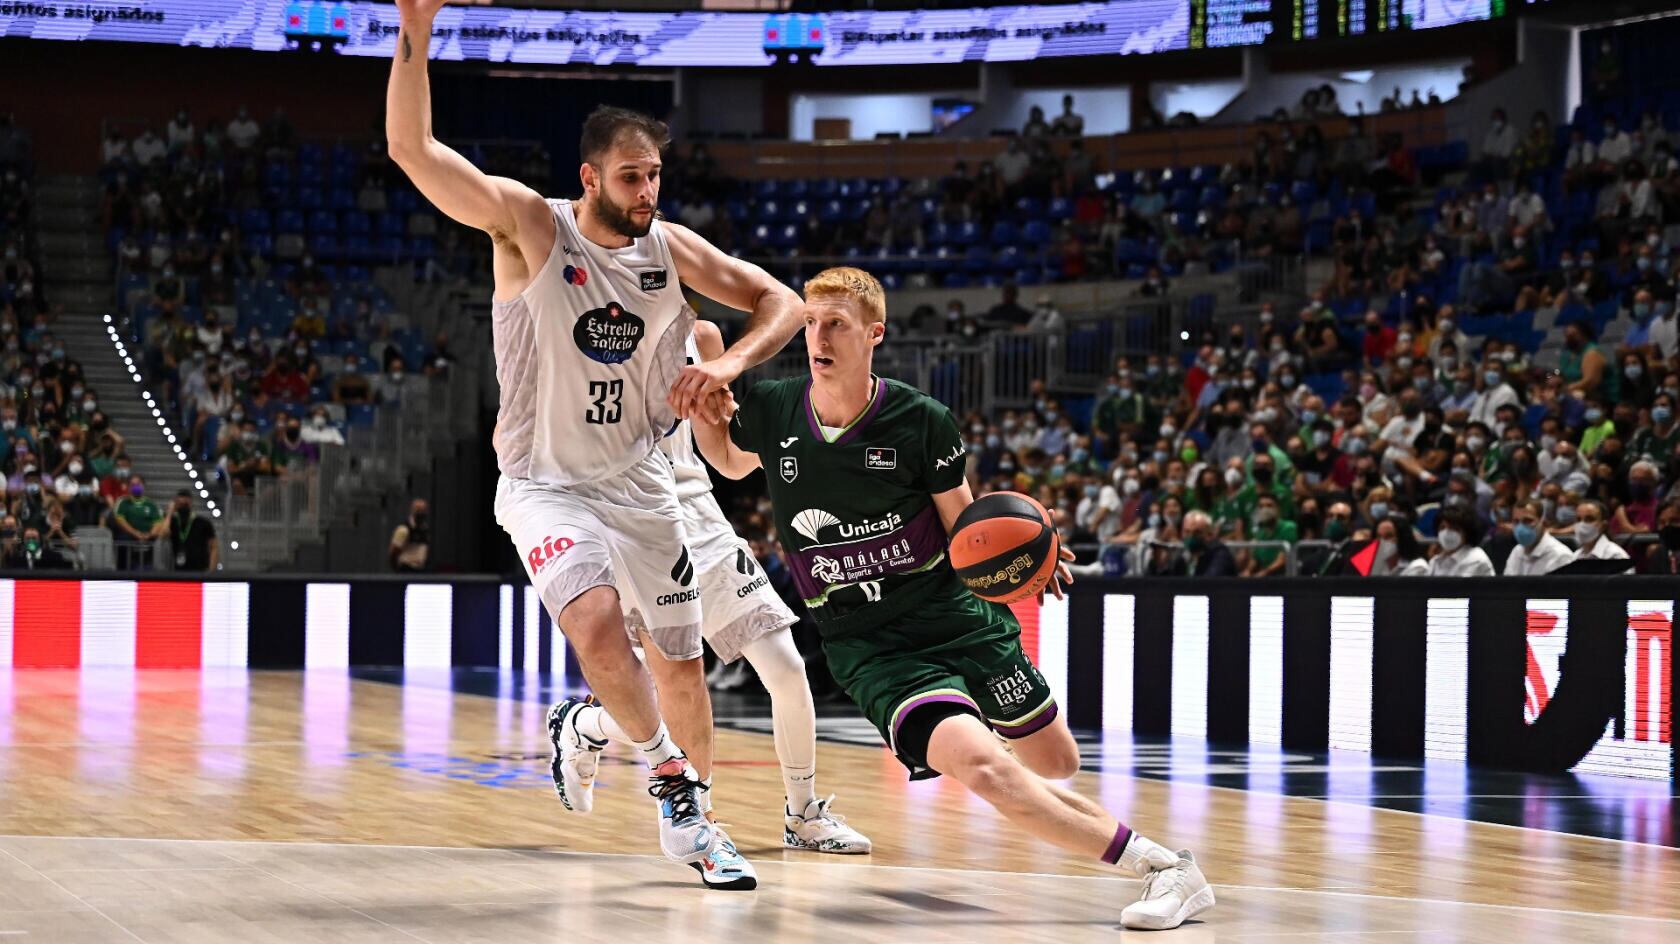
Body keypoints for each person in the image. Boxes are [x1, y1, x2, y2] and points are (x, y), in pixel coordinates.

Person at [388, 0, 801, 888]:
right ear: (590, 176)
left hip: (643, 484)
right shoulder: (530, 226)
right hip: (545, 484)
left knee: (683, 671)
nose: (647, 193)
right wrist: (416, 28)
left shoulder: (673, 248)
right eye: (629, 178)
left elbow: (783, 304)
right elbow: (413, 153)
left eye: (654, 176)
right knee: (597, 620)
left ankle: (664, 793)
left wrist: (727, 368)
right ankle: (674, 796)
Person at [690, 267, 1214, 929]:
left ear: (874, 333)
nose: (818, 336)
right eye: (811, 323)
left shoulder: (922, 421)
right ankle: (1167, 869)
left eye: (836, 325)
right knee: (987, 770)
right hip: (871, 649)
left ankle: (975, 728)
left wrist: (1027, 556)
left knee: (1057, 762)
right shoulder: (774, 407)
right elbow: (734, 464)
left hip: (956, 619)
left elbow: (967, 530)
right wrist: (707, 415)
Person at [554, 312, 871, 857]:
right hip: (631, 521)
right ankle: (601, 735)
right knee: (670, 688)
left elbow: (727, 460)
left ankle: (804, 814)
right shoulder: (583, 327)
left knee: (787, 667)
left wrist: (758, 430)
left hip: (699, 512)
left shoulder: (702, 339)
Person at [1504, 498, 1573, 575]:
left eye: (1527, 521)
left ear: (1543, 523)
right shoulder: (1516, 551)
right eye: (1516, 521)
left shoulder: (1560, 556)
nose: (1520, 527)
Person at [111, 474, 163, 570]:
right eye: (133, 484)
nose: (136, 487)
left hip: (147, 543)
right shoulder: (123, 502)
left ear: (143, 485)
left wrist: (150, 534)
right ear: (129, 487)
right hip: (128, 544)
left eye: (138, 484)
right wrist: (136, 534)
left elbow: (158, 522)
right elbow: (120, 520)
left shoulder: (151, 504)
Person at [1428, 504, 1495, 576]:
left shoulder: (1476, 559)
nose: (1446, 532)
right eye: (1442, 527)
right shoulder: (1435, 561)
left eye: (1454, 528)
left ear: (1467, 532)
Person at [164, 490, 218, 572]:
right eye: (180, 504)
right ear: (176, 505)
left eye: (185, 504)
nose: (183, 507)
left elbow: (214, 547)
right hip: (178, 571)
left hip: (200, 570)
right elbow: (163, 534)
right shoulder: (173, 522)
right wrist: (170, 512)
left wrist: (211, 570)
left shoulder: (203, 522)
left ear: (191, 503)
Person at [388, 498, 430, 572]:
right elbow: (393, 553)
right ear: (413, 511)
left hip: (421, 570)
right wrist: (398, 570)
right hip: (406, 569)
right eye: (418, 510)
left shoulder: (425, 530)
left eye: (423, 510)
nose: (421, 513)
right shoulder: (403, 530)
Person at [2, 526, 70, 570]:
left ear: (40, 540)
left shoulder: (54, 557)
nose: (31, 541)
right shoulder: (16, 559)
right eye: (28, 539)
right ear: (23, 541)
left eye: (34, 538)